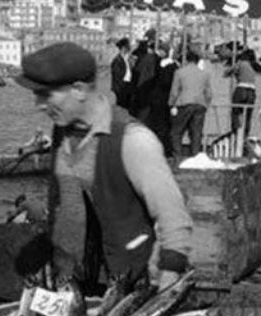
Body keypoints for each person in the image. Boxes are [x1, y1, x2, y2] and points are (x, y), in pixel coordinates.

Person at [15, 42, 194, 291]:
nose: (39, 104)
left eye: (46, 95)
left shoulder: (133, 140)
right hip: (71, 278)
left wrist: (168, 277)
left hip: (124, 283)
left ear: (78, 90)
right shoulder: (63, 130)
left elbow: (173, 216)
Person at [169, 50, 213, 157]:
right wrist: (206, 104)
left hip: (184, 103)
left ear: (187, 60)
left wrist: (171, 104)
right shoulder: (205, 74)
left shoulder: (179, 72)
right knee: (196, 134)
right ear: (198, 61)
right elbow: (209, 93)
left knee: (176, 132)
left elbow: (174, 91)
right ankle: (195, 157)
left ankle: (177, 157)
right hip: (200, 104)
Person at [223, 45, 259, 136]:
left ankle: (236, 133)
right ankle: (245, 134)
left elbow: (226, 73)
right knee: (248, 115)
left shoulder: (241, 63)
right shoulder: (254, 65)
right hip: (252, 91)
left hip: (241, 89)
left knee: (236, 112)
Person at [109, 37, 134, 111]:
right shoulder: (117, 60)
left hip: (127, 85)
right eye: (127, 47)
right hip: (121, 87)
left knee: (126, 105)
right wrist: (123, 86)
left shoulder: (127, 59)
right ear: (123, 48)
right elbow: (118, 76)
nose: (128, 49)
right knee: (121, 105)